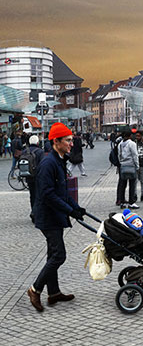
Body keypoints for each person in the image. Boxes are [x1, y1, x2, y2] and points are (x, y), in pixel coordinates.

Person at [27, 123, 89, 312]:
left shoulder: (59, 160)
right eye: (68, 140)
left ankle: (53, 292)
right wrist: (70, 211)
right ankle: (35, 289)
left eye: (71, 140)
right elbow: (47, 194)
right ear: (56, 142)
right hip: (48, 216)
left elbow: (62, 192)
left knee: (53, 254)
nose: (71, 144)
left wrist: (76, 207)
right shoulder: (48, 163)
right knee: (59, 255)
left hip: (54, 215)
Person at [116, 131, 143, 207]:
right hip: (131, 166)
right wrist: (137, 166)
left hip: (123, 166)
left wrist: (121, 163)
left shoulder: (120, 145)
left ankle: (122, 202)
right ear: (130, 136)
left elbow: (119, 155)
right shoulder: (132, 144)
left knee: (122, 184)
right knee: (132, 184)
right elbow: (135, 155)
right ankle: (131, 202)